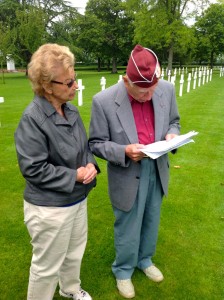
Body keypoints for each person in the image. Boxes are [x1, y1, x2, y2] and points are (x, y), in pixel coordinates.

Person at [89, 44, 180, 299]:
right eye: (141, 92)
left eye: (151, 90)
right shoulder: (103, 101)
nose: (148, 96)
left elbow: (174, 120)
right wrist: (123, 151)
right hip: (128, 172)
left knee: (151, 218)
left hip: (157, 168)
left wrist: (173, 134)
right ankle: (123, 270)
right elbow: (95, 143)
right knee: (128, 224)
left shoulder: (166, 90)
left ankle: (145, 260)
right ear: (125, 80)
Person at [14, 43, 100, 300]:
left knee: (74, 252)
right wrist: (74, 175)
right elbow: (33, 168)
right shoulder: (32, 119)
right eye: (69, 82)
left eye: (75, 79)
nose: (76, 86)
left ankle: (71, 289)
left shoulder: (71, 110)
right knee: (46, 266)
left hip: (77, 198)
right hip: (49, 208)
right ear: (47, 85)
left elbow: (84, 148)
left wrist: (90, 165)